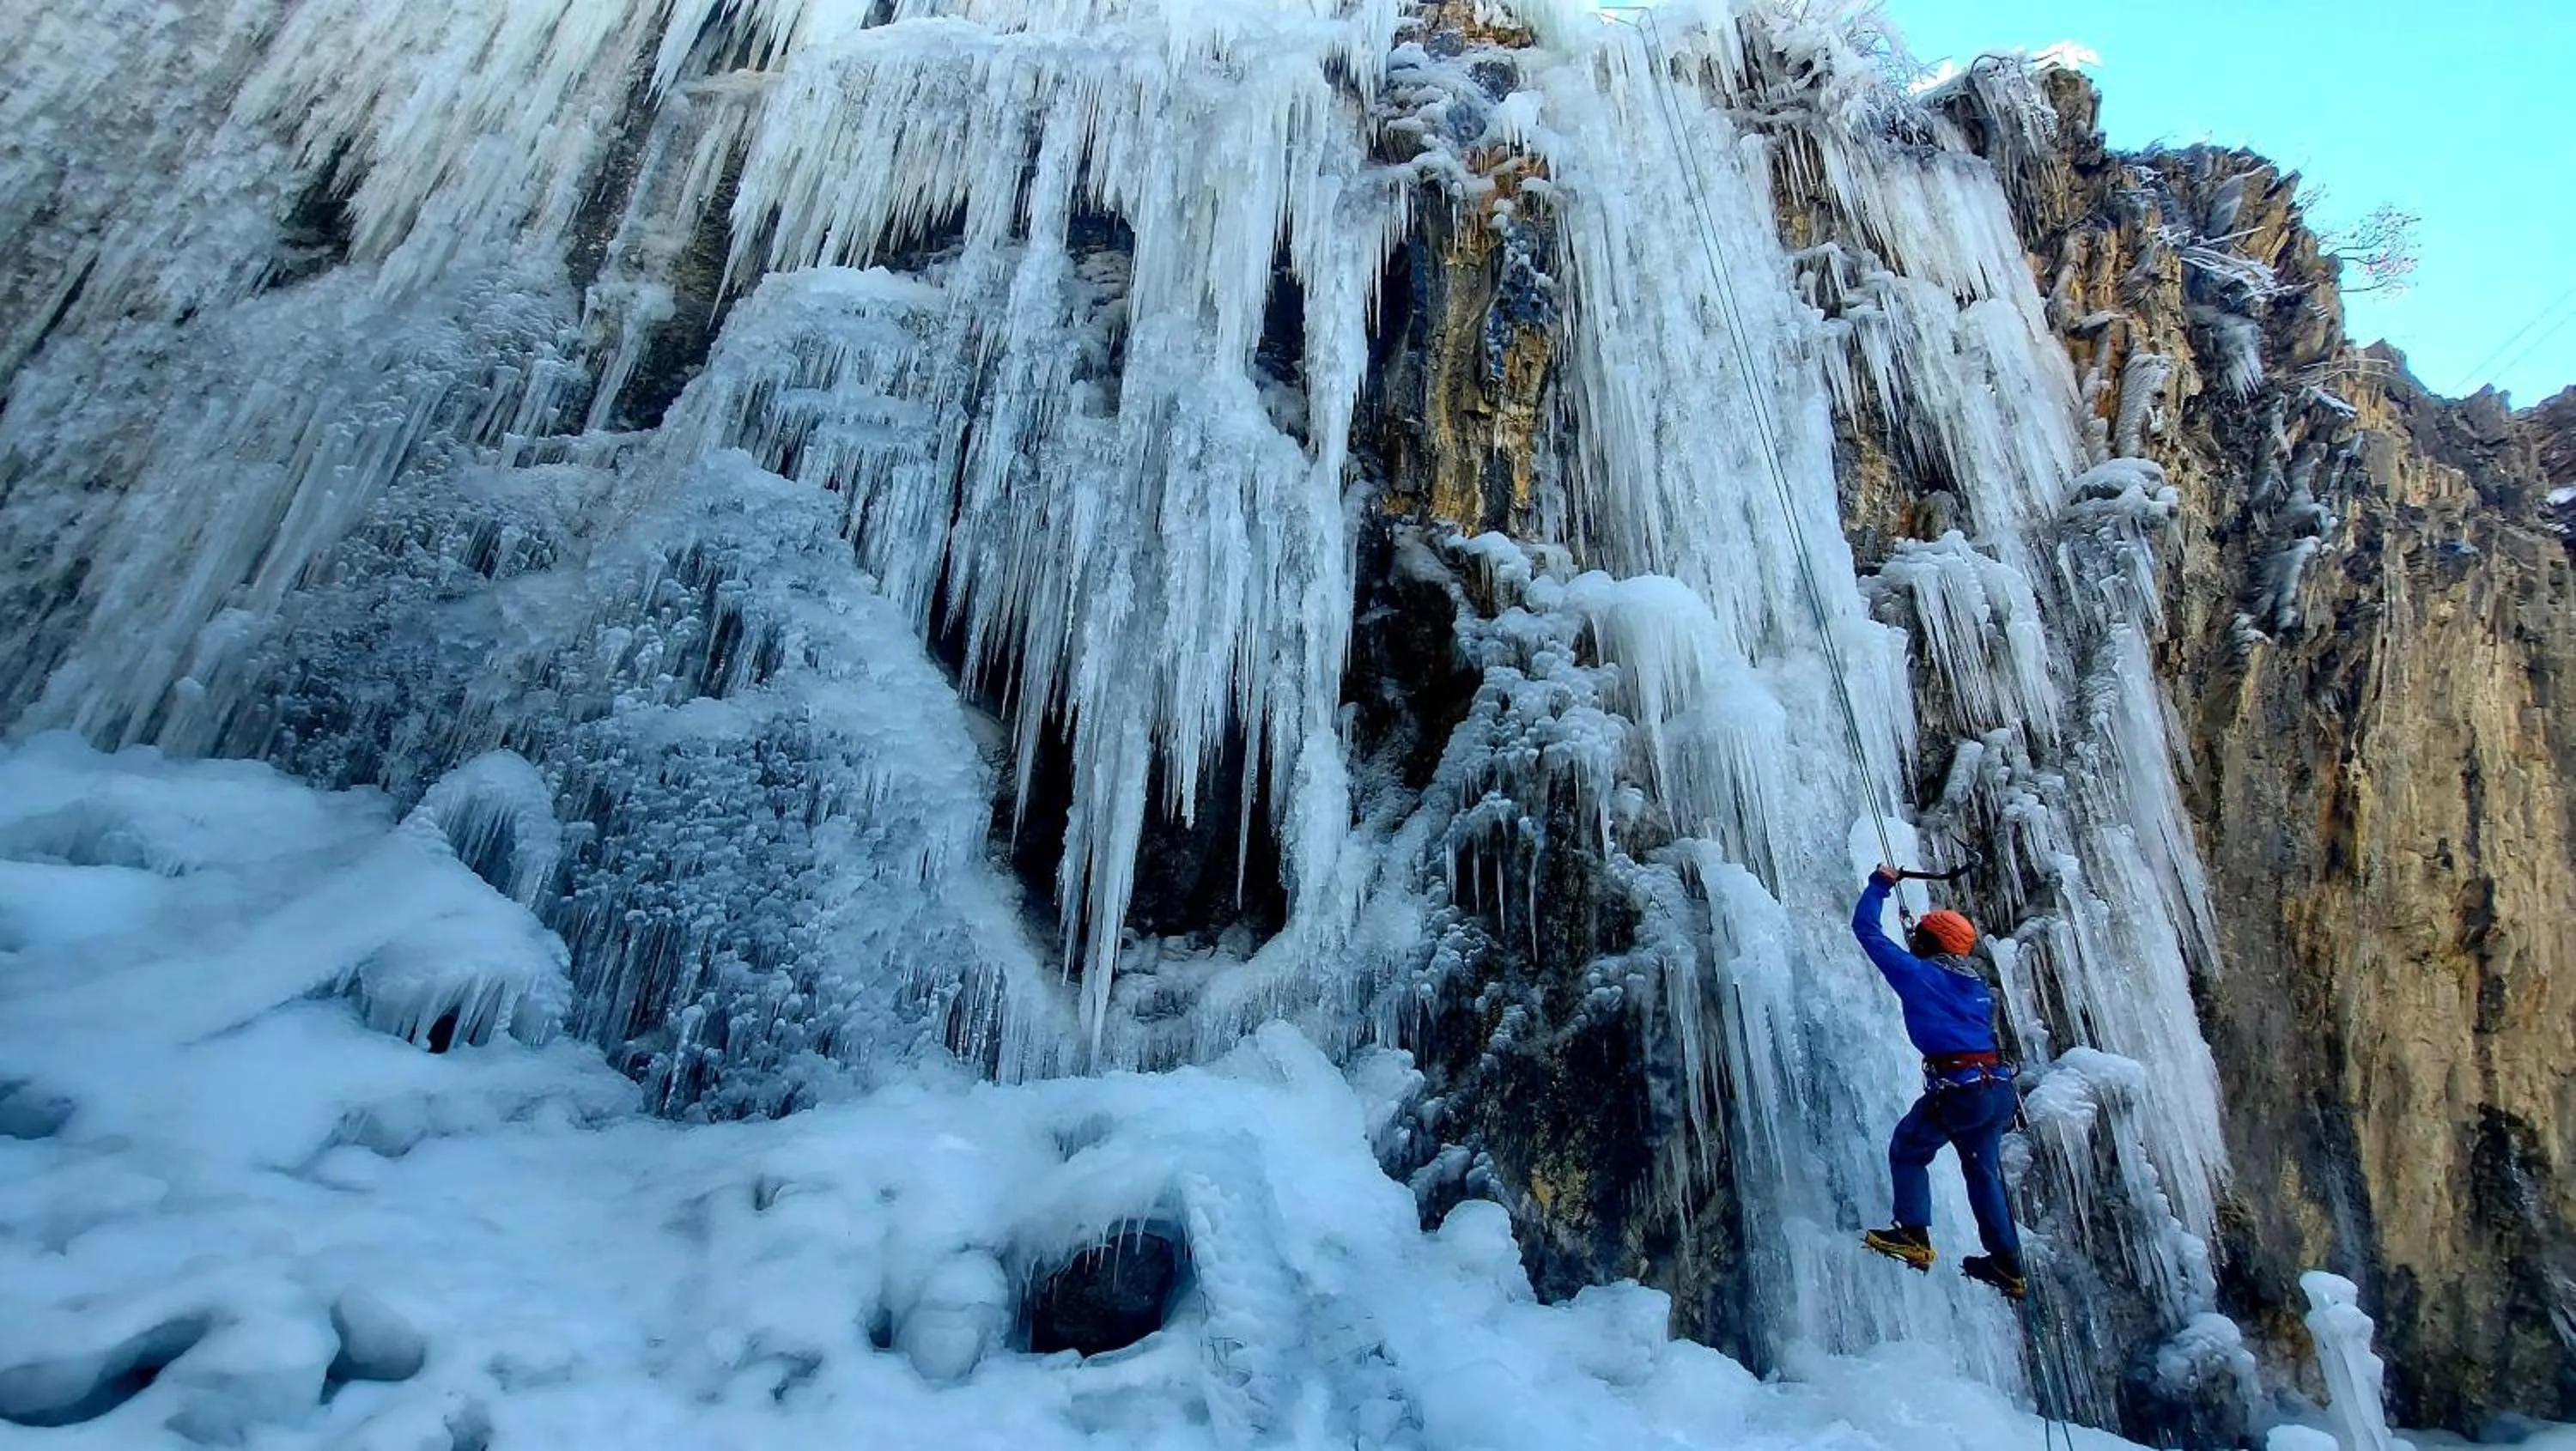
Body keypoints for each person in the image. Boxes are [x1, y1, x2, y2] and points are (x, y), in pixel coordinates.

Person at [1851, 864, 2025, 1300]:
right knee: (1982, 1173)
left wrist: (1880, 885)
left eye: (1919, 937)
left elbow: (1867, 930)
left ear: (1926, 943)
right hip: (1997, 1090)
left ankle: (1913, 1234)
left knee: (1909, 1148)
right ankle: (2007, 1265)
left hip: (1961, 1089)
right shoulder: (1978, 985)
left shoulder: (1919, 975)